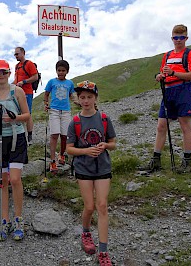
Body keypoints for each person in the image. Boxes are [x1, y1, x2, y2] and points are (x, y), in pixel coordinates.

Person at [66, 80, 116, 266]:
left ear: (96, 98)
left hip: (103, 167)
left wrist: (105, 145)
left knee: (102, 205)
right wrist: (86, 151)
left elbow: (113, 143)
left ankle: (103, 252)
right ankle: (86, 232)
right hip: (83, 169)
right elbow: (69, 149)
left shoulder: (104, 118)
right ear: (78, 100)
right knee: (89, 207)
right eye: (82, 97)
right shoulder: (75, 122)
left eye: (89, 97)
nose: (86, 100)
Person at [0, 60, 30, 241]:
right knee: (1, 181)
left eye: (4, 72)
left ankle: (18, 219)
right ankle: (5, 220)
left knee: (15, 179)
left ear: (9, 73)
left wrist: (14, 118)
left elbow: (27, 116)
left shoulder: (17, 91)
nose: (1, 75)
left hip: (16, 138)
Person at [143, 24, 191, 174]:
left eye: (181, 37)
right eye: (176, 37)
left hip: (184, 90)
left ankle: (186, 161)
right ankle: (156, 160)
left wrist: (174, 73)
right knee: (161, 125)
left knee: (184, 125)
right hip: (168, 91)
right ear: (172, 38)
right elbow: (164, 73)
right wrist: (159, 76)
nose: (178, 40)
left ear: (186, 38)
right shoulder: (167, 55)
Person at [43, 60, 76, 173]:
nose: (61, 72)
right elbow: (46, 94)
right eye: (59, 70)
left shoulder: (70, 83)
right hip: (54, 111)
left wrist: (78, 102)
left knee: (64, 135)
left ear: (67, 71)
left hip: (66, 111)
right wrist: (45, 104)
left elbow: (71, 96)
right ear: (56, 71)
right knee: (54, 134)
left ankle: (61, 155)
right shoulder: (51, 82)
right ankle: (52, 161)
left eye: (63, 71)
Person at [12, 47, 39, 144]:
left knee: (27, 114)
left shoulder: (29, 64)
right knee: (18, 113)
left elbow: (35, 77)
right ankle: (21, 135)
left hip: (27, 92)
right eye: (15, 54)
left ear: (23, 53)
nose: (15, 56)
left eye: (17, 54)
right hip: (17, 93)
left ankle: (30, 136)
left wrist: (24, 82)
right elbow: (16, 79)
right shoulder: (17, 66)